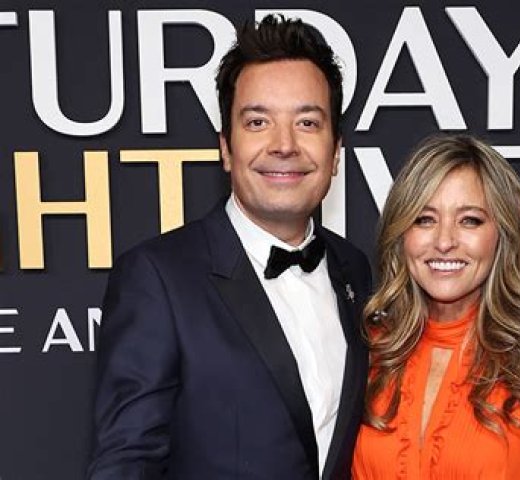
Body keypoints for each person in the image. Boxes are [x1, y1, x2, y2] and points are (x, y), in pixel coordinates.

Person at [87, 15, 371, 480]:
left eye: (307, 122)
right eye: (258, 122)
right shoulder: (158, 278)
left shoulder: (355, 269)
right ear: (226, 148)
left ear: (336, 150)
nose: (284, 145)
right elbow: (126, 462)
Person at [352, 134, 520, 478]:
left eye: (470, 220)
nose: (444, 241)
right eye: (424, 219)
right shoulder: (368, 353)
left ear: (502, 235)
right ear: (401, 234)